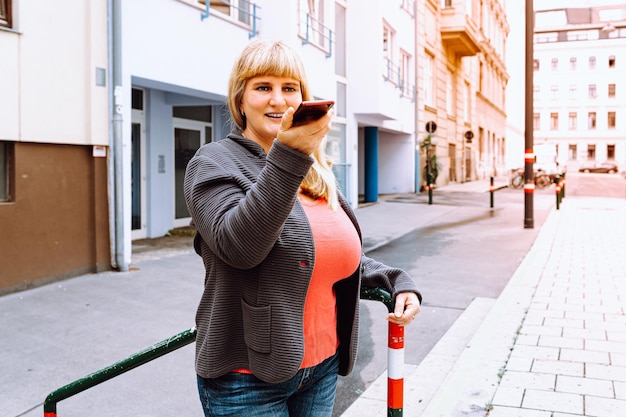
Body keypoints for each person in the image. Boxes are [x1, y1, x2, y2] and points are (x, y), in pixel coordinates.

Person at [184, 39, 422, 417]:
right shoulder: (214, 162)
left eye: (289, 88)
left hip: (322, 365)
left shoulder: (315, 169)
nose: (278, 100)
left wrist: (395, 280)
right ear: (240, 100)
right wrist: (291, 155)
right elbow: (241, 248)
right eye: (263, 87)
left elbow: (328, 253)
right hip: (247, 378)